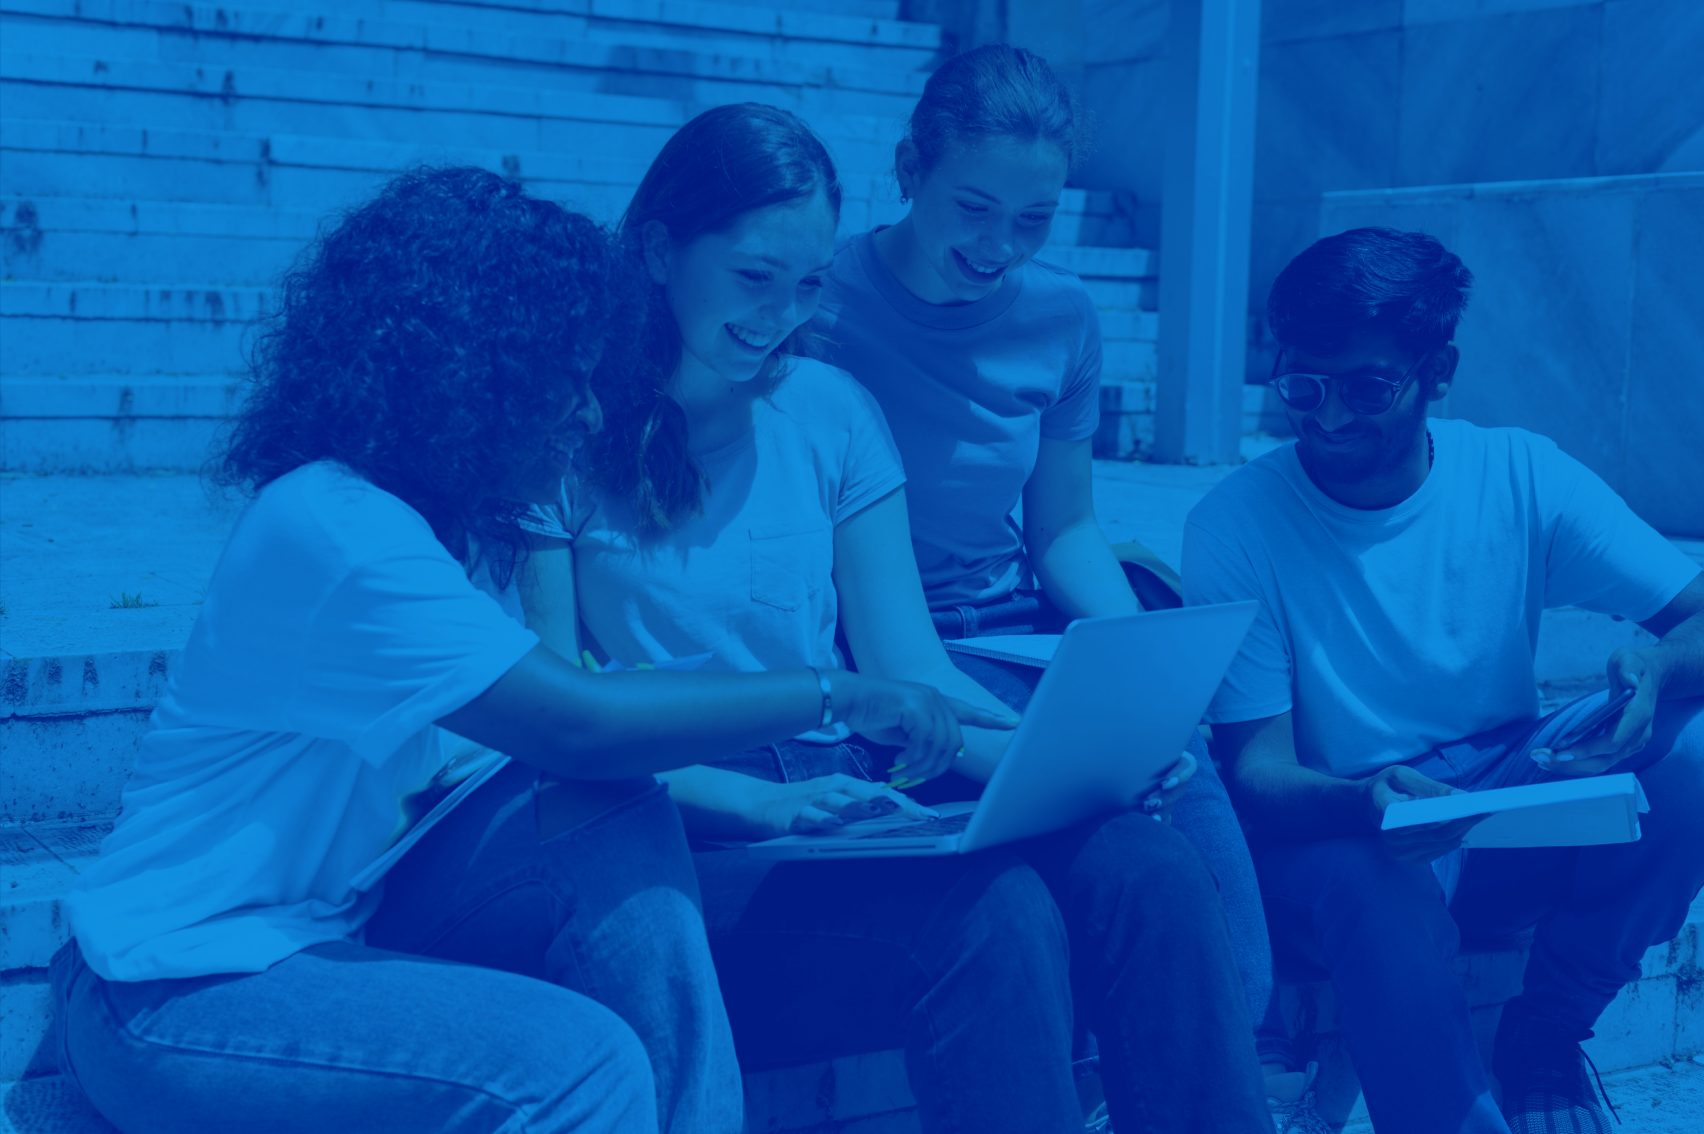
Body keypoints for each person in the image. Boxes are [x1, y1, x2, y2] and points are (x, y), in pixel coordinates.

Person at [51, 166, 1006, 1134]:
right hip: (176, 991)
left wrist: (765, 802)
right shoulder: (334, 530)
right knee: (580, 1063)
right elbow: (578, 723)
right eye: (568, 382)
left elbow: (548, 761)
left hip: (335, 921)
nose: (592, 415)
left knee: (605, 812)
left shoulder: (452, 529)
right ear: (471, 375)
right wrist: (836, 692)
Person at [526, 102, 1273, 1134]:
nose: (782, 314)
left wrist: (1065, 754)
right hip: (694, 824)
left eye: (809, 284)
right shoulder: (560, 436)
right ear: (658, 250)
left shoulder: (830, 409)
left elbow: (910, 667)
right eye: (754, 277)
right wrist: (759, 807)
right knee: (992, 913)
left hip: (856, 787)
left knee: (1142, 863)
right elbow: (552, 722)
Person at [806, 42, 1298, 1119]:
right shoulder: (821, 303)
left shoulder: (1063, 319)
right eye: (973, 208)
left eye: (1032, 221)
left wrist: (1139, 671)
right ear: (909, 167)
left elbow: (1066, 527)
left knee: (1235, 956)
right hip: (888, 656)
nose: (998, 247)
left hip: (1022, 635)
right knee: (1111, 881)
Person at [1184, 226, 1704, 1134]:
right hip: (1336, 834)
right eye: (1303, 385)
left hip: (1502, 805)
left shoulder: (1518, 474)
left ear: (1439, 369)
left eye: (1368, 386)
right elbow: (1258, 778)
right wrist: (1366, 804)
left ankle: (1545, 1032)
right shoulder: (1237, 523)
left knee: (1694, 749)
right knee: (1376, 877)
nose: (1330, 417)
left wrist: (1659, 665)